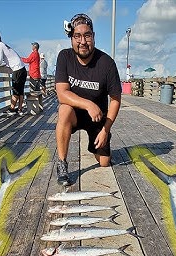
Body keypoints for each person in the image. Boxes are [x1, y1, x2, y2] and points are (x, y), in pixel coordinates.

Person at [54, 13, 121, 186]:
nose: (83, 41)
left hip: (97, 118)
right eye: (77, 36)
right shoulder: (64, 57)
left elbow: (115, 99)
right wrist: (87, 104)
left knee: (104, 162)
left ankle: (95, 143)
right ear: (71, 38)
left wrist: (106, 129)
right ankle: (62, 163)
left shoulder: (107, 63)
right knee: (64, 109)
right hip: (74, 114)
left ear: (93, 36)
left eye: (87, 35)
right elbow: (61, 93)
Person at [0, 31, 27, 116]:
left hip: (17, 70)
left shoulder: (0, 46)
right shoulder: (4, 45)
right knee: (20, 91)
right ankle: (20, 110)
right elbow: (6, 61)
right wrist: (2, 64)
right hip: (23, 69)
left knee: (15, 91)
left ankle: (12, 109)